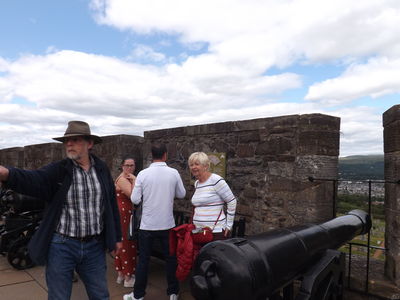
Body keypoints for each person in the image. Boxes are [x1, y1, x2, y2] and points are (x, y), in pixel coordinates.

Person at [0, 120, 122, 300]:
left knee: (101, 295)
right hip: (62, 246)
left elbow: (110, 204)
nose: (69, 144)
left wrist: (116, 237)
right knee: (59, 297)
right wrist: (5, 173)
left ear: (90, 144)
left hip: (94, 246)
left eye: (75, 140)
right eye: (67, 141)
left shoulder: (102, 169)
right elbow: (34, 179)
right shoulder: (59, 170)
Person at [123, 143, 186, 300]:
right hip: (168, 225)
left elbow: (135, 199)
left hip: (147, 225)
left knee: (143, 260)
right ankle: (173, 293)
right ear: (165, 155)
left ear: (152, 155)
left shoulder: (143, 174)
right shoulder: (173, 173)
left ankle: (138, 295)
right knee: (171, 260)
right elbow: (182, 194)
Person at [188, 152, 237, 240]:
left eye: (197, 164)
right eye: (191, 165)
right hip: (199, 231)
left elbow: (231, 201)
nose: (193, 167)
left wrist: (229, 225)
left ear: (206, 166)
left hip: (215, 232)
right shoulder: (197, 183)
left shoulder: (216, 180)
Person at [114, 157, 137, 288]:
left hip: (124, 214)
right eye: (127, 165)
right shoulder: (123, 179)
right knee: (127, 244)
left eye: (132, 165)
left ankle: (121, 274)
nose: (129, 168)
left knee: (123, 242)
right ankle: (128, 277)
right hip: (124, 215)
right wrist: (134, 180)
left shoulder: (124, 178)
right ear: (122, 166)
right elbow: (133, 195)